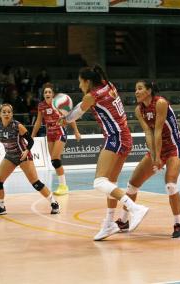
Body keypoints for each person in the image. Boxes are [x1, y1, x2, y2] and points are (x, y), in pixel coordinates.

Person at [60, 65, 149, 241]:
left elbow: (78, 111)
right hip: (125, 136)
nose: (79, 86)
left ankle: (134, 208)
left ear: (87, 81)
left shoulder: (91, 95)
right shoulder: (109, 85)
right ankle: (108, 223)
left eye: (80, 82)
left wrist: (64, 119)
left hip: (115, 137)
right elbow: (83, 104)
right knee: (111, 182)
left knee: (99, 181)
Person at [115, 81, 180, 238]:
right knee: (132, 184)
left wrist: (158, 158)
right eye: (135, 89)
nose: (136, 92)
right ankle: (124, 220)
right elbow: (148, 133)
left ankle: (178, 224)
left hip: (173, 147)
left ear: (149, 91)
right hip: (156, 147)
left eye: (140, 89)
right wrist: (154, 157)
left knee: (170, 185)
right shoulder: (139, 110)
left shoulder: (160, 103)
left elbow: (158, 131)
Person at [0, 103, 60, 216]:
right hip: (10, 156)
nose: (6, 114)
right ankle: (1, 207)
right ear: (0, 114)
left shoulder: (17, 126)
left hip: (23, 156)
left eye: (9, 112)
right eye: (4, 112)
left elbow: (31, 141)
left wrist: (26, 151)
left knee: (36, 183)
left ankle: (54, 203)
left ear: (12, 114)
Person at [31, 83, 81, 195]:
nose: (47, 94)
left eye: (49, 92)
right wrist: (32, 136)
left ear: (53, 94)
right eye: (45, 92)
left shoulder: (58, 104)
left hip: (60, 132)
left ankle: (63, 186)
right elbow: (38, 122)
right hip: (50, 134)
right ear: (43, 95)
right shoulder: (41, 106)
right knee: (54, 161)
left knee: (55, 158)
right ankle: (62, 185)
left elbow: (70, 117)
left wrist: (76, 131)